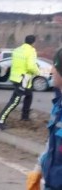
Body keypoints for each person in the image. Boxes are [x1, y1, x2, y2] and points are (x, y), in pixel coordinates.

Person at [27, 48, 62, 190]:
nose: (51, 70)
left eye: (55, 66)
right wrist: (38, 169)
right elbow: (51, 143)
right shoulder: (58, 105)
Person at [0, 35, 40, 129]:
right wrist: (38, 72)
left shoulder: (17, 50)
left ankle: (25, 117)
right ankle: (1, 119)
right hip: (22, 79)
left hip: (17, 78)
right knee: (15, 101)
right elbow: (31, 66)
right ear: (33, 43)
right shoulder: (31, 51)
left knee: (29, 95)